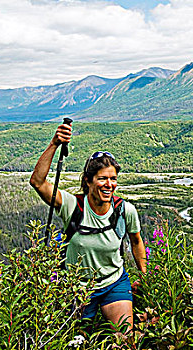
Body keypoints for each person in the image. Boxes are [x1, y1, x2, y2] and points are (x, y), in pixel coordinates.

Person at [29, 122, 147, 333]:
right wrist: (55, 143)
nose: (109, 184)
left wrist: (144, 276)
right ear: (88, 181)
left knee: (125, 339)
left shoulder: (124, 210)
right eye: (102, 179)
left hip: (114, 282)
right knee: (76, 340)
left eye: (113, 179)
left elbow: (136, 241)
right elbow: (38, 182)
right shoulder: (72, 205)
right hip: (76, 289)